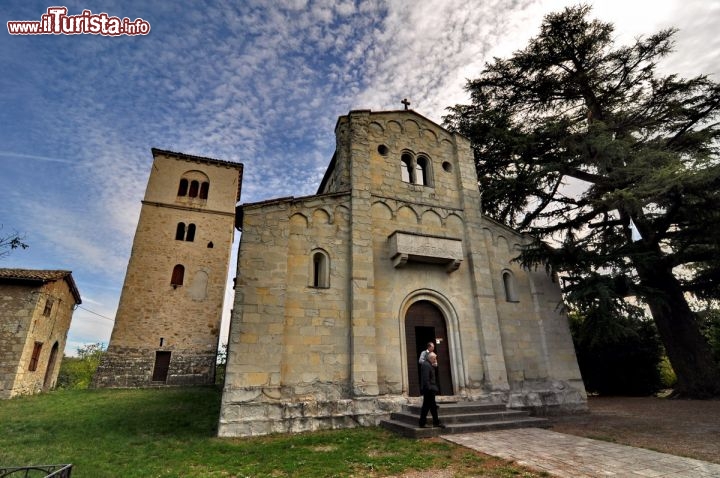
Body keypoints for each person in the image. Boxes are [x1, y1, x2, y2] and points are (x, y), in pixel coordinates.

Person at [419, 352, 444, 428]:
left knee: (432, 406)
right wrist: (429, 389)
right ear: (431, 358)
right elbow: (426, 379)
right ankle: (423, 423)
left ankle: (435, 422)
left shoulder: (429, 364)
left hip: (430, 389)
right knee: (426, 406)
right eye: (434, 358)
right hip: (428, 390)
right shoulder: (426, 365)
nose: (435, 360)